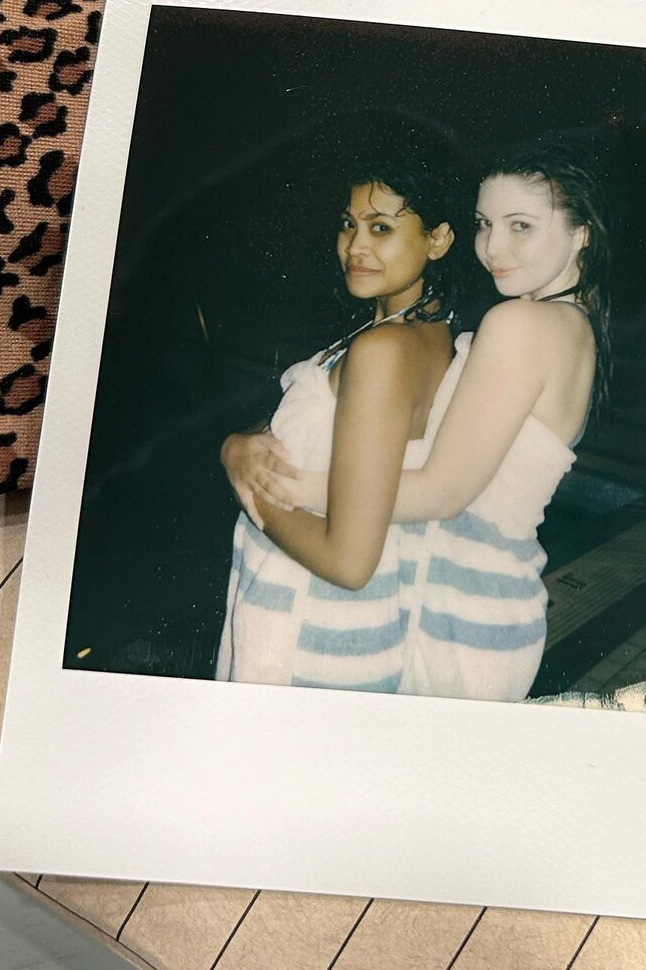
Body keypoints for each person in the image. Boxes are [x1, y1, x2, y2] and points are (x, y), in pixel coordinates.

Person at [230, 140, 612, 702]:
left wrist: (268, 484)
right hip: (483, 605)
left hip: (464, 615)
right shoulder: (569, 324)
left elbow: (442, 491)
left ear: (582, 233)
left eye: (521, 226)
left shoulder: (521, 325)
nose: (493, 247)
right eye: (484, 224)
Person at [215, 138, 478, 694]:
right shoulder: (413, 333)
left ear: (438, 239)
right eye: (348, 224)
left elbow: (349, 560)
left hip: (306, 636)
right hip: (326, 626)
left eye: (381, 228)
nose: (355, 246)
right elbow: (309, 436)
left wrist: (245, 480)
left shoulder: (385, 350)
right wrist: (239, 442)